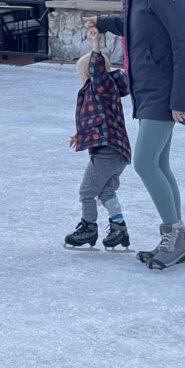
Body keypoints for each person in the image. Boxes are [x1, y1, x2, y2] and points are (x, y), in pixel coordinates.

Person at [84, 0, 185, 270]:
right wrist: (105, 23)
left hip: (164, 91)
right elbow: (138, 28)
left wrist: (180, 98)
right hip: (148, 88)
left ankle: (175, 236)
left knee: (145, 163)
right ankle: (176, 239)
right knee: (160, 164)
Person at [64, 25, 132, 250]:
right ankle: (119, 228)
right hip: (116, 151)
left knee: (86, 192)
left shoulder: (102, 86)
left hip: (108, 150)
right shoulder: (95, 95)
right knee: (106, 191)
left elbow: (97, 68)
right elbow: (93, 120)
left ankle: (88, 227)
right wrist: (79, 135)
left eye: (82, 74)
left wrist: (95, 43)